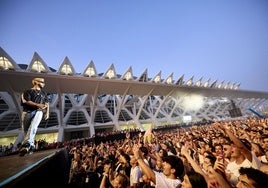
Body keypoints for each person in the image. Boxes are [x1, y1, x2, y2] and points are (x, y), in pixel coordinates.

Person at [19, 77, 49, 156]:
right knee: (25, 130)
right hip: (27, 112)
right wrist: (37, 104)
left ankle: (26, 145)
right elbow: (26, 101)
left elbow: (47, 103)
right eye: (42, 82)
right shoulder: (28, 91)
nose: (44, 84)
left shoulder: (44, 93)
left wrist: (47, 113)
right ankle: (31, 146)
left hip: (39, 112)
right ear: (36, 82)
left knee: (33, 127)